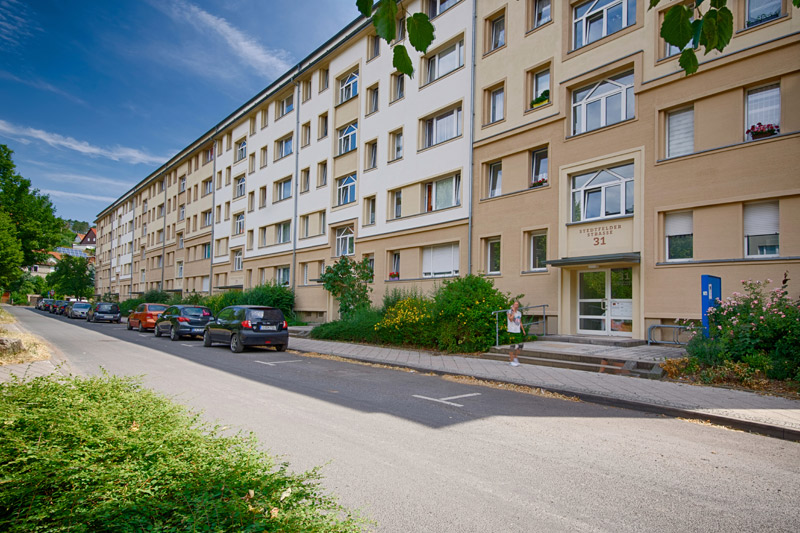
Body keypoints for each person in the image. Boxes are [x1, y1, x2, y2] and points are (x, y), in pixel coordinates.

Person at [507, 300, 525, 366]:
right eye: (515, 305)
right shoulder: (509, 312)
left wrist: (523, 330)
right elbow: (511, 319)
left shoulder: (519, 313)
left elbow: (520, 322)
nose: (516, 306)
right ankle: (511, 361)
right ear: (513, 305)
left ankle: (515, 357)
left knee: (520, 345)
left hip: (518, 331)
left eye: (517, 305)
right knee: (512, 346)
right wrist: (513, 312)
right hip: (511, 331)